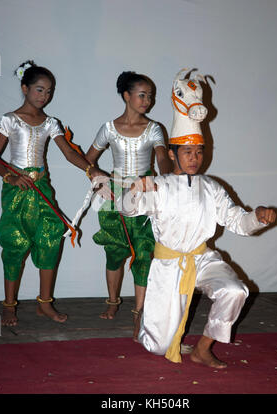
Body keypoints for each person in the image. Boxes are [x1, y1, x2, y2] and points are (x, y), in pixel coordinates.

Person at [120, 134, 276, 368]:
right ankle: (150, 319)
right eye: (188, 152)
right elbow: (126, 209)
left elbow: (237, 221)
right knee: (158, 347)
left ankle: (202, 349)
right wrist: (134, 190)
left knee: (235, 291)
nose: (195, 158)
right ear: (172, 154)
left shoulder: (211, 187)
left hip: (202, 258)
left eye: (199, 152)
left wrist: (258, 216)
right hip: (168, 264)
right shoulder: (159, 186)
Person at [0, 60, 97, 327]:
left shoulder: (51, 123)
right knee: (15, 241)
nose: (44, 96)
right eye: (39, 90)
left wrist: (90, 170)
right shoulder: (10, 119)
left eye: (49, 91)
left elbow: (69, 153)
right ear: (25, 88)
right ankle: (8, 305)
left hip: (41, 190)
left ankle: (45, 303)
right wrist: (11, 176)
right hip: (17, 191)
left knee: (51, 236)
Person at [85, 71, 171, 340]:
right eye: (142, 95)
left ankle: (139, 313)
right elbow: (89, 160)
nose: (148, 100)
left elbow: (162, 160)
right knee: (114, 251)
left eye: (150, 96)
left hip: (145, 196)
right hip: (115, 197)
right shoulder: (109, 128)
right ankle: (112, 301)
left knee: (144, 253)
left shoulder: (155, 128)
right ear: (126, 96)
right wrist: (98, 179)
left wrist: (166, 175)